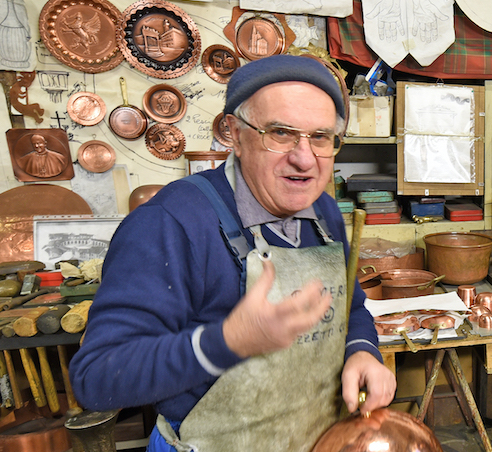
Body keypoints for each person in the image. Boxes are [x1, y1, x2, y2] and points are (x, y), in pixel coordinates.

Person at [69, 54, 397, 452]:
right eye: (280, 133)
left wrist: (361, 351)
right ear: (234, 134)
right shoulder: (170, 223)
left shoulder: (323, 211)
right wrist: (228, 342)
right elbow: (96, 379)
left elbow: (352, 310)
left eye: (321, 137)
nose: (305, 158)